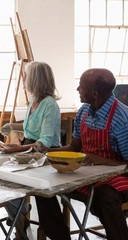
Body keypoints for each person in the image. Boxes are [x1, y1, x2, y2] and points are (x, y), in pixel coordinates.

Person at [35, 68, 128, 240]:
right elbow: (74, 147)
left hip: (118, 177)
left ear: (94, 93)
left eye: (81, 86)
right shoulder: (84, 111)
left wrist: (98, 160)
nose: (78, 89)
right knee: (40, 185)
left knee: (105, 196)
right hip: (85, 173)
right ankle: (60, 236)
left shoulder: (122, 119)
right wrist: (47, 152)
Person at [0, 61, 62, 240]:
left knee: (41, 192)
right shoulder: (34, 100)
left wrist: (19, 148)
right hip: (30, 150)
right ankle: (19, 214)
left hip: (45, 155)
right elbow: (30, 129)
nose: (23, 79)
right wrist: (13, 126)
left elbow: (45, 142)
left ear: (36, 79)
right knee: (0, 176)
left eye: (26, 75)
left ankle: (54, 232)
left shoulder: (49, 105)